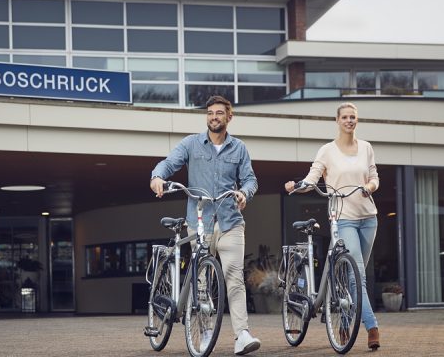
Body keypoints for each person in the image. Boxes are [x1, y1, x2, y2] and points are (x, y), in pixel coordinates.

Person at [150, 95, 261, 355]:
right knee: (201, 281)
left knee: (234, 278)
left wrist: (245, 192)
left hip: (231, 222)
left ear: (229, 117)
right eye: (210, 113)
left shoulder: (239, 148)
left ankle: (242, 335)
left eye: (219, 113)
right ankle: (204, 331)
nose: (214, 117)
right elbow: (169, 162)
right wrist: (157, 176)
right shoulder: (191, 144)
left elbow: (250, 179)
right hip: (199, 223)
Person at [284, 102, 380, 350]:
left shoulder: (367, 147)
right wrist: (296, 185)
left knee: (354, 278)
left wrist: (369, 187)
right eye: (345, 117)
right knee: (357, 275)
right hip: (343, 217)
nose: (349, 120)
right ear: (337, 121)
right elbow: (312, 178)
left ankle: (345, 324)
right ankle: (372, 327)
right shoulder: (327, 150)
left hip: (369, 218)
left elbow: (374, 177)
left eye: (353, 117)